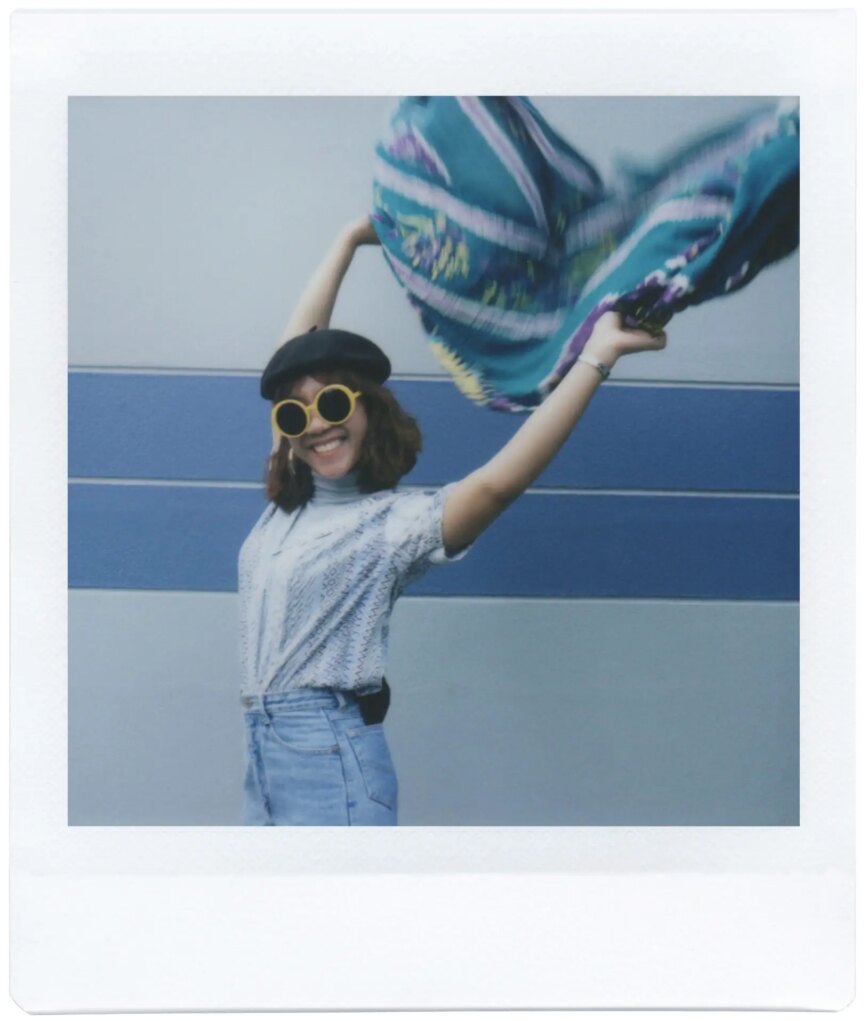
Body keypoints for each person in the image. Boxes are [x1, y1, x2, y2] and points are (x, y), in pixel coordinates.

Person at [238, 214, 667, 826]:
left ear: (370, 411)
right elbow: (292, 353)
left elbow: (497, 485)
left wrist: (595, 358)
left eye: (333, 403)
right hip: (262, 751)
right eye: (296, 415)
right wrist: (348, 241)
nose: (317, 426)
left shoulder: (392, 525)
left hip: (328, 754)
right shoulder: (291, 497)